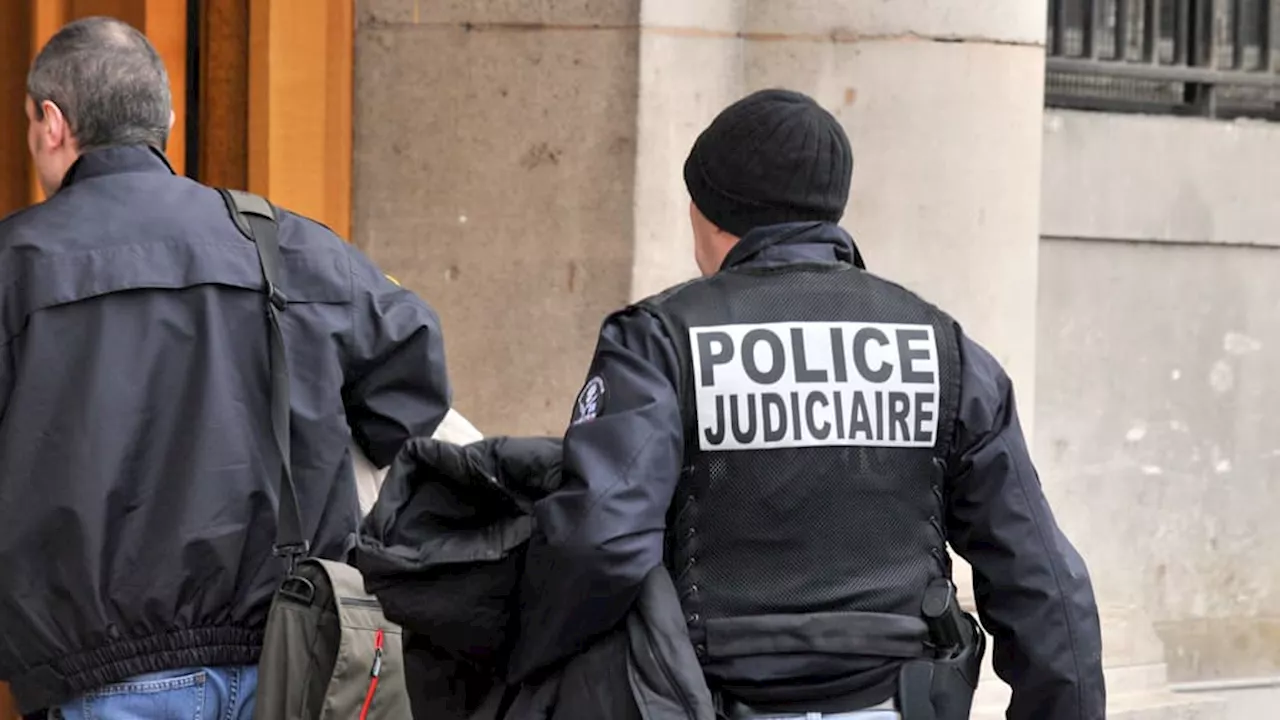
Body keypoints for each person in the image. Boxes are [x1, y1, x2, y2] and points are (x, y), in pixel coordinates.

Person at [512, 89, 1106, 719]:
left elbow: (599, 540)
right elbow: (1040, 580)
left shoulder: (658, 341)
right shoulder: (943, 350)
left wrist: (521, 655)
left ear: (709, 212)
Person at [0, 17, 452, 719]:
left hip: (101, 676)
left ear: (52, 124)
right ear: (169, 121)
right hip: (295, 660)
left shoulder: (14, 268)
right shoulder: (284, 244)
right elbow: (412, 383)